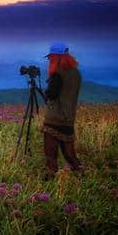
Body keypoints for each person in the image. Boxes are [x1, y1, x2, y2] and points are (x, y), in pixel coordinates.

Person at [41, 43, 83, 179]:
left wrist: (46, 91)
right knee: (68, 149)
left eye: (51, 58)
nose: (49, 61)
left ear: (56, 57)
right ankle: (79, 172)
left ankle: (50, 174)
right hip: (69, 116)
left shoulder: (58, 73)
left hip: (54, 117)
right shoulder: (76, 73)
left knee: (50, 148)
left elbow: (52, 94)